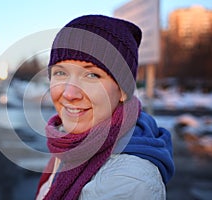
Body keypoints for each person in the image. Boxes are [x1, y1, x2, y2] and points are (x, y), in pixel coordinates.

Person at [35, 14, 175, 200]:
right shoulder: (72, 144)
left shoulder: (127, 183)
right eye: (60, 72)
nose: (69, 93)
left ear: (123, 90)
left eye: (92, 75)